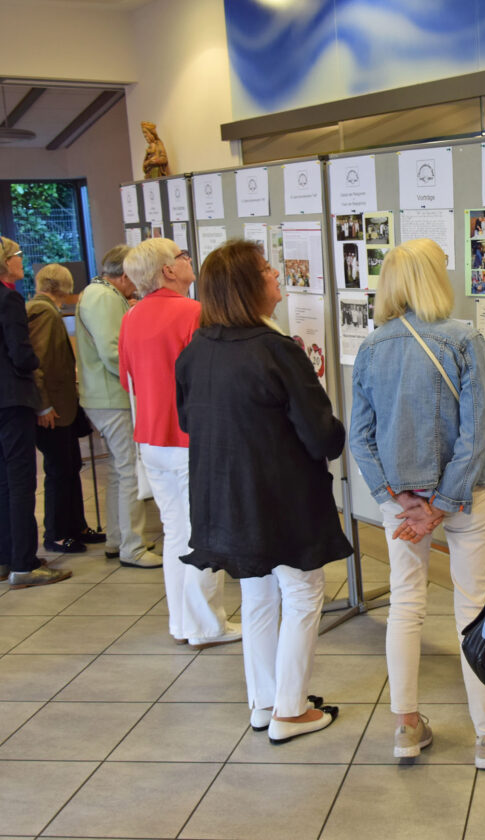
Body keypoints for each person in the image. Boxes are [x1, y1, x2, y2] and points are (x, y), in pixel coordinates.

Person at [177, 241, 351, 742]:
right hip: (280, 497)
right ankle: (291, 711)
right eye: (266, 270)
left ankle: (267, 701)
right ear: (248, 287)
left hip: (225, 497)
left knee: (256, 596)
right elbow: (321, 436)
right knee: (301, 593)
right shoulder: (277, 352)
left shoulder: (196, 351)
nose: (277, 276)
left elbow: (190, 420)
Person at [349, 238, 485, 769]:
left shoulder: (372, 347)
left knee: (406, 604)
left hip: (403, 504)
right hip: (465, 497)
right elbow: (474, 432)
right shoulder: (464, 339)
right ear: (433, 280)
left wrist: (397, 498)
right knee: (474, 608)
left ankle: (405, 727)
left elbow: (361, 437)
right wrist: (442, 503)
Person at [119, 238, 240, 648]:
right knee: (205, 534)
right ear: (168, 271)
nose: (190, 261)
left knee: (176, 533)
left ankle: (182, 622)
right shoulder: (194, 314)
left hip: (151, 438)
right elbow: (214, 378)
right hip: (193, 438)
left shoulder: (131, 316)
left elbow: (128, 380)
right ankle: (206, 625)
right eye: (183, 256)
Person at [0, 235, 69, 588]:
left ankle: (3, 559)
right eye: (18, 255)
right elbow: (22, 356)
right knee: (22, 481)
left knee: (3, 479)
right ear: (4, 261)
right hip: (10, 400)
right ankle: (25, 565)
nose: (23, 260)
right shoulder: (7, 298)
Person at [76, 245, 162, 569]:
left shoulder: (101, 293)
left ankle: (118, 539)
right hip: (112, 397)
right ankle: (132, 546)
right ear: (124, 275)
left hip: (105, 396)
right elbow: (114, 352)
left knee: (118, 469)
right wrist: (147, 381)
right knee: (128, 471)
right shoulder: (103, 297)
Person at [26, 264, 102, 554]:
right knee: (59, 470)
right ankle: (57, 533)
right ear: (65, 286)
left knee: (70, 467)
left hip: (61, 407)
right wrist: (43, 405)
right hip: (52, 410)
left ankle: (76, 526)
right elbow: (39, 362)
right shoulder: (43, 312)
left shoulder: (45, 309)